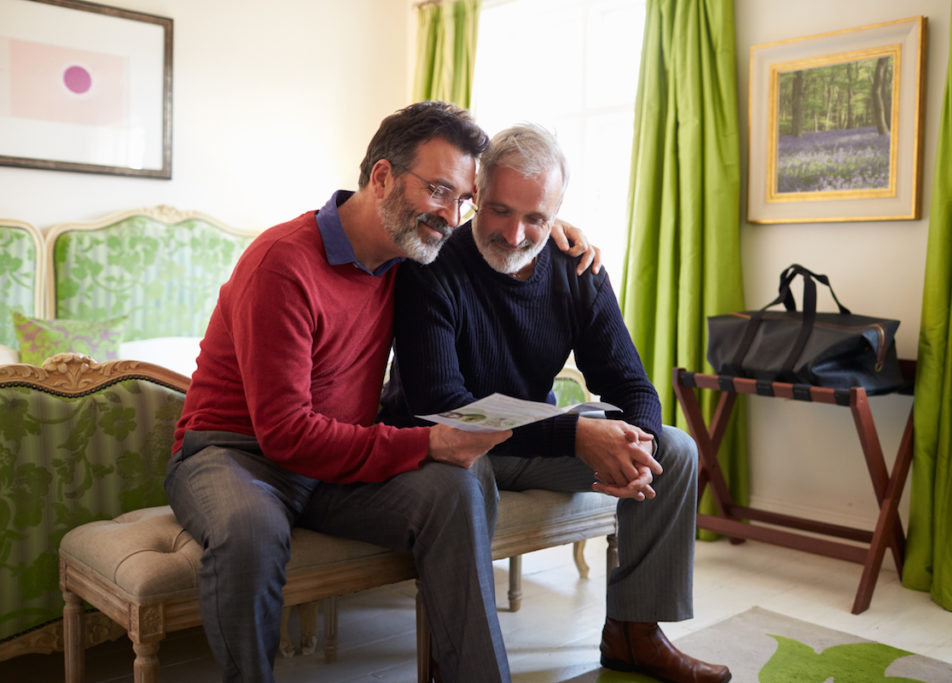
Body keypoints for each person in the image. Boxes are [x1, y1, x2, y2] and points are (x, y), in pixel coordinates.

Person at [164, 102, 596, 683]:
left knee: (452, 490)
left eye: (461, 199)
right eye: (439, 191)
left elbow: (500, 236)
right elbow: (285, 433)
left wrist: (555, 231)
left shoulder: (409, 258)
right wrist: (425, 445)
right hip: (233, 454)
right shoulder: (281, 263)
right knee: (251, 529)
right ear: (383, 177)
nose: (450, 216)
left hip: (332, 463)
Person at [379, 124, 732, 683]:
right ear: (476, 195)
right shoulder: (432, 269)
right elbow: (444, 406)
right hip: (447, 445)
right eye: (498, 210)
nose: (516, 233)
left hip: (531, 437)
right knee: (460, 479)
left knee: (677, 449)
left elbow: (633, 386)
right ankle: (459, 663)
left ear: (557, 212)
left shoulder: (576, 268)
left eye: (536, 218)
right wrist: (574, 435)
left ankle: (634, 634)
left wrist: (634, 443)